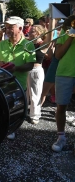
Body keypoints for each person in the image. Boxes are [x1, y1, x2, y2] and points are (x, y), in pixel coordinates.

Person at [0, 16, 36, 140]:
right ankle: (1, 127)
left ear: (20, 28)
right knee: (1, 106)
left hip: (18, 83)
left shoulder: (28, 45)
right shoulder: (2, 44)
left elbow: (30, 65)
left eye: (11, 27)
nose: (7, 29)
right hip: (2, 82)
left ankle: (11, 128)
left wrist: (15, 68)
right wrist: (0, 64)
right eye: (6, 27)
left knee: (15, 108)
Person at [51, 18, 75, 152]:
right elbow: (58, 55)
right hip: (64, 72)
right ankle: (61, 137)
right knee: (61, 107)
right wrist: (71, 35)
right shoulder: (65, 31)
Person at [26, 25, 48, 124]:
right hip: (26, 69)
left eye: (32, 31)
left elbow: (50, 37)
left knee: (35, 94)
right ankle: (24, 110)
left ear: (38, 33)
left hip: (36, 70)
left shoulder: (42, 44)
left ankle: (35, 115)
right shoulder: (28, 43)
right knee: (25, 93)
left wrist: (52, 20)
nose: (29, 33)